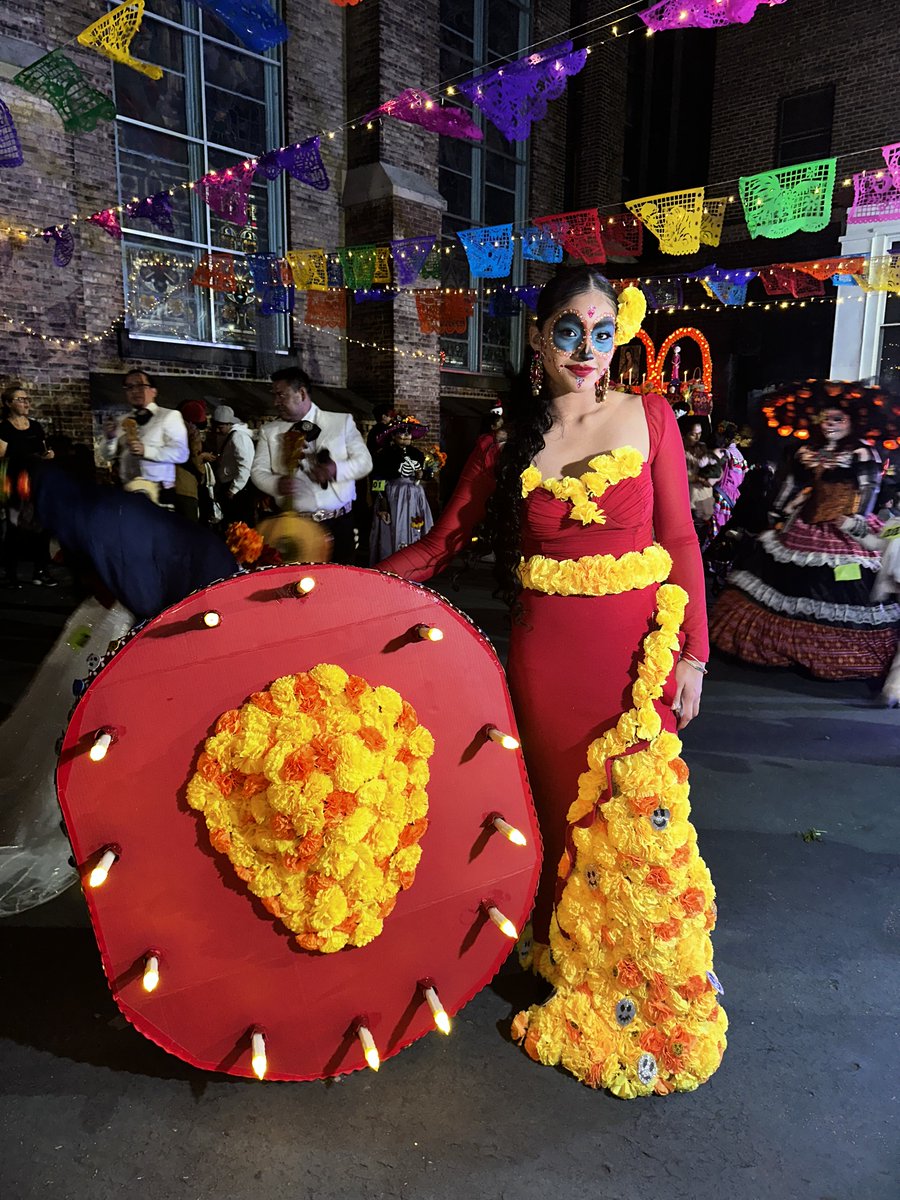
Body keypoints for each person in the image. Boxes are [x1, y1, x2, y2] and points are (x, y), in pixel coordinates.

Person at [377, 266, 727, 1097]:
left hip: (637, 658)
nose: (587, 351)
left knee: (635, 811)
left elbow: (679, 540)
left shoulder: (649, 417)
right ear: (537, 337)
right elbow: (440, 548)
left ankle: (641, 970)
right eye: (569, 331)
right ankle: (567, 955)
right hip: (546, 660)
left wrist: (695, 655)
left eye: (603, 333)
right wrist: (350, 590)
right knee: (559, 808)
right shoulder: (506, 445)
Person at [710, 389, 900, 679]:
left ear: (853, 422)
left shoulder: (862, 452)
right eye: (825, 418)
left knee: (843, 585)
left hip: (845, 530)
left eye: (838, 418)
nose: (830, 423)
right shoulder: (808, 449)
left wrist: (855, 525)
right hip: (803, 527)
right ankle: (784, 649)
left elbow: (868, 491)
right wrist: (777, 515)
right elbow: (791, 486)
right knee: (784, 580)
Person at [251, 366, 372, 564]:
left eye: (281, 395)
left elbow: (364, 462)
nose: (275, 402)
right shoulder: (269, 431)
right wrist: (276, 484)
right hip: (292, 525)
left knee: (339, 585)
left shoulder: (340, 422)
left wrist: (336, 470)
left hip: (339, 523)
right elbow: (258, 471)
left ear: (302, 393)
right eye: (275, 396)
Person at [101, 369, 189, 506]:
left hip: (159, 493)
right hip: (128, 491)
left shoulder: (169, 416)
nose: (135, 391)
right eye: (129, 387)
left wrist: (147, 451)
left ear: (154, 391)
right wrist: (110, 438)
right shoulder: (121, 420)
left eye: (140, 386)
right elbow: (107, 455)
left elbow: (182, 453)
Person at [0, 382, 56, 587]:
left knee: (42, 527)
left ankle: (40, 570)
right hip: (16, 484)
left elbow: (45, 449)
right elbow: (1, 457)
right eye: (20, 399)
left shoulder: (35, 426)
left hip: (38, 482)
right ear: (8, 403)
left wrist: (49, 455)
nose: (25, 403)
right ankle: (11, 572)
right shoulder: (4, 428)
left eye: (26, 399)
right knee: (15, 528)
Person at [368, 416, 434, 564]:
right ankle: (392, 563)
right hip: (394, 495)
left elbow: (427, 473)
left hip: (415, 495)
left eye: (408, 433)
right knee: (393, 529)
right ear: (393, 435)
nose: (406, 436)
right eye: (402, 433)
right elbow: (377, 479)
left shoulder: (417, 454)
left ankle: (415, 562)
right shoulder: (384, 454)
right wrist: (383, 503)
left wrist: (424, 474)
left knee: (416, 526)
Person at [702, 421, 748, 550]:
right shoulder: (741, 457)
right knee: (720, 531)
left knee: (711, 530)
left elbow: (713, 473)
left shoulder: (724, 453)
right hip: (732, 498)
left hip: (719, 494)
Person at [211, 405, 256, 526]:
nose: (217, 431)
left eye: (220, 427)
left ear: (229, 424)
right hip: (232, 485)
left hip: (238, 490)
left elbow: (245, 465)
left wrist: (234, 488)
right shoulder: (230, 436)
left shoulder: (238, 437)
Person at [173, 400, 211, 523]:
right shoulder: (192, 433)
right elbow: (195, 458)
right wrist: (202, 471)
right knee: (189, 528)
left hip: (169, 484)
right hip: (186, 487)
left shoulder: (170, 428)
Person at [680, 416, 722, 525]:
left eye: (700, 433)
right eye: (694, 434)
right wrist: (695, 478)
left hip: (704, 500)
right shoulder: (678, 449)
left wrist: (715, 476)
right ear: (684, 434)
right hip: (687, 500)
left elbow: (717, 470)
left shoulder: (704, 448)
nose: (698, 437)